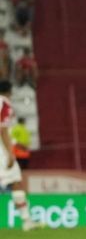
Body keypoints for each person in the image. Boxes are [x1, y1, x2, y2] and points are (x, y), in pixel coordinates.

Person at [1, 81, 38, 229]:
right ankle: (26, 220)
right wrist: (9, 153)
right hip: (1, 150)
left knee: (15, 181)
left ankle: (27, 220)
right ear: (9, 91)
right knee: (16, 181)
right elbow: (2, 129)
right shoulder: (4, 104)